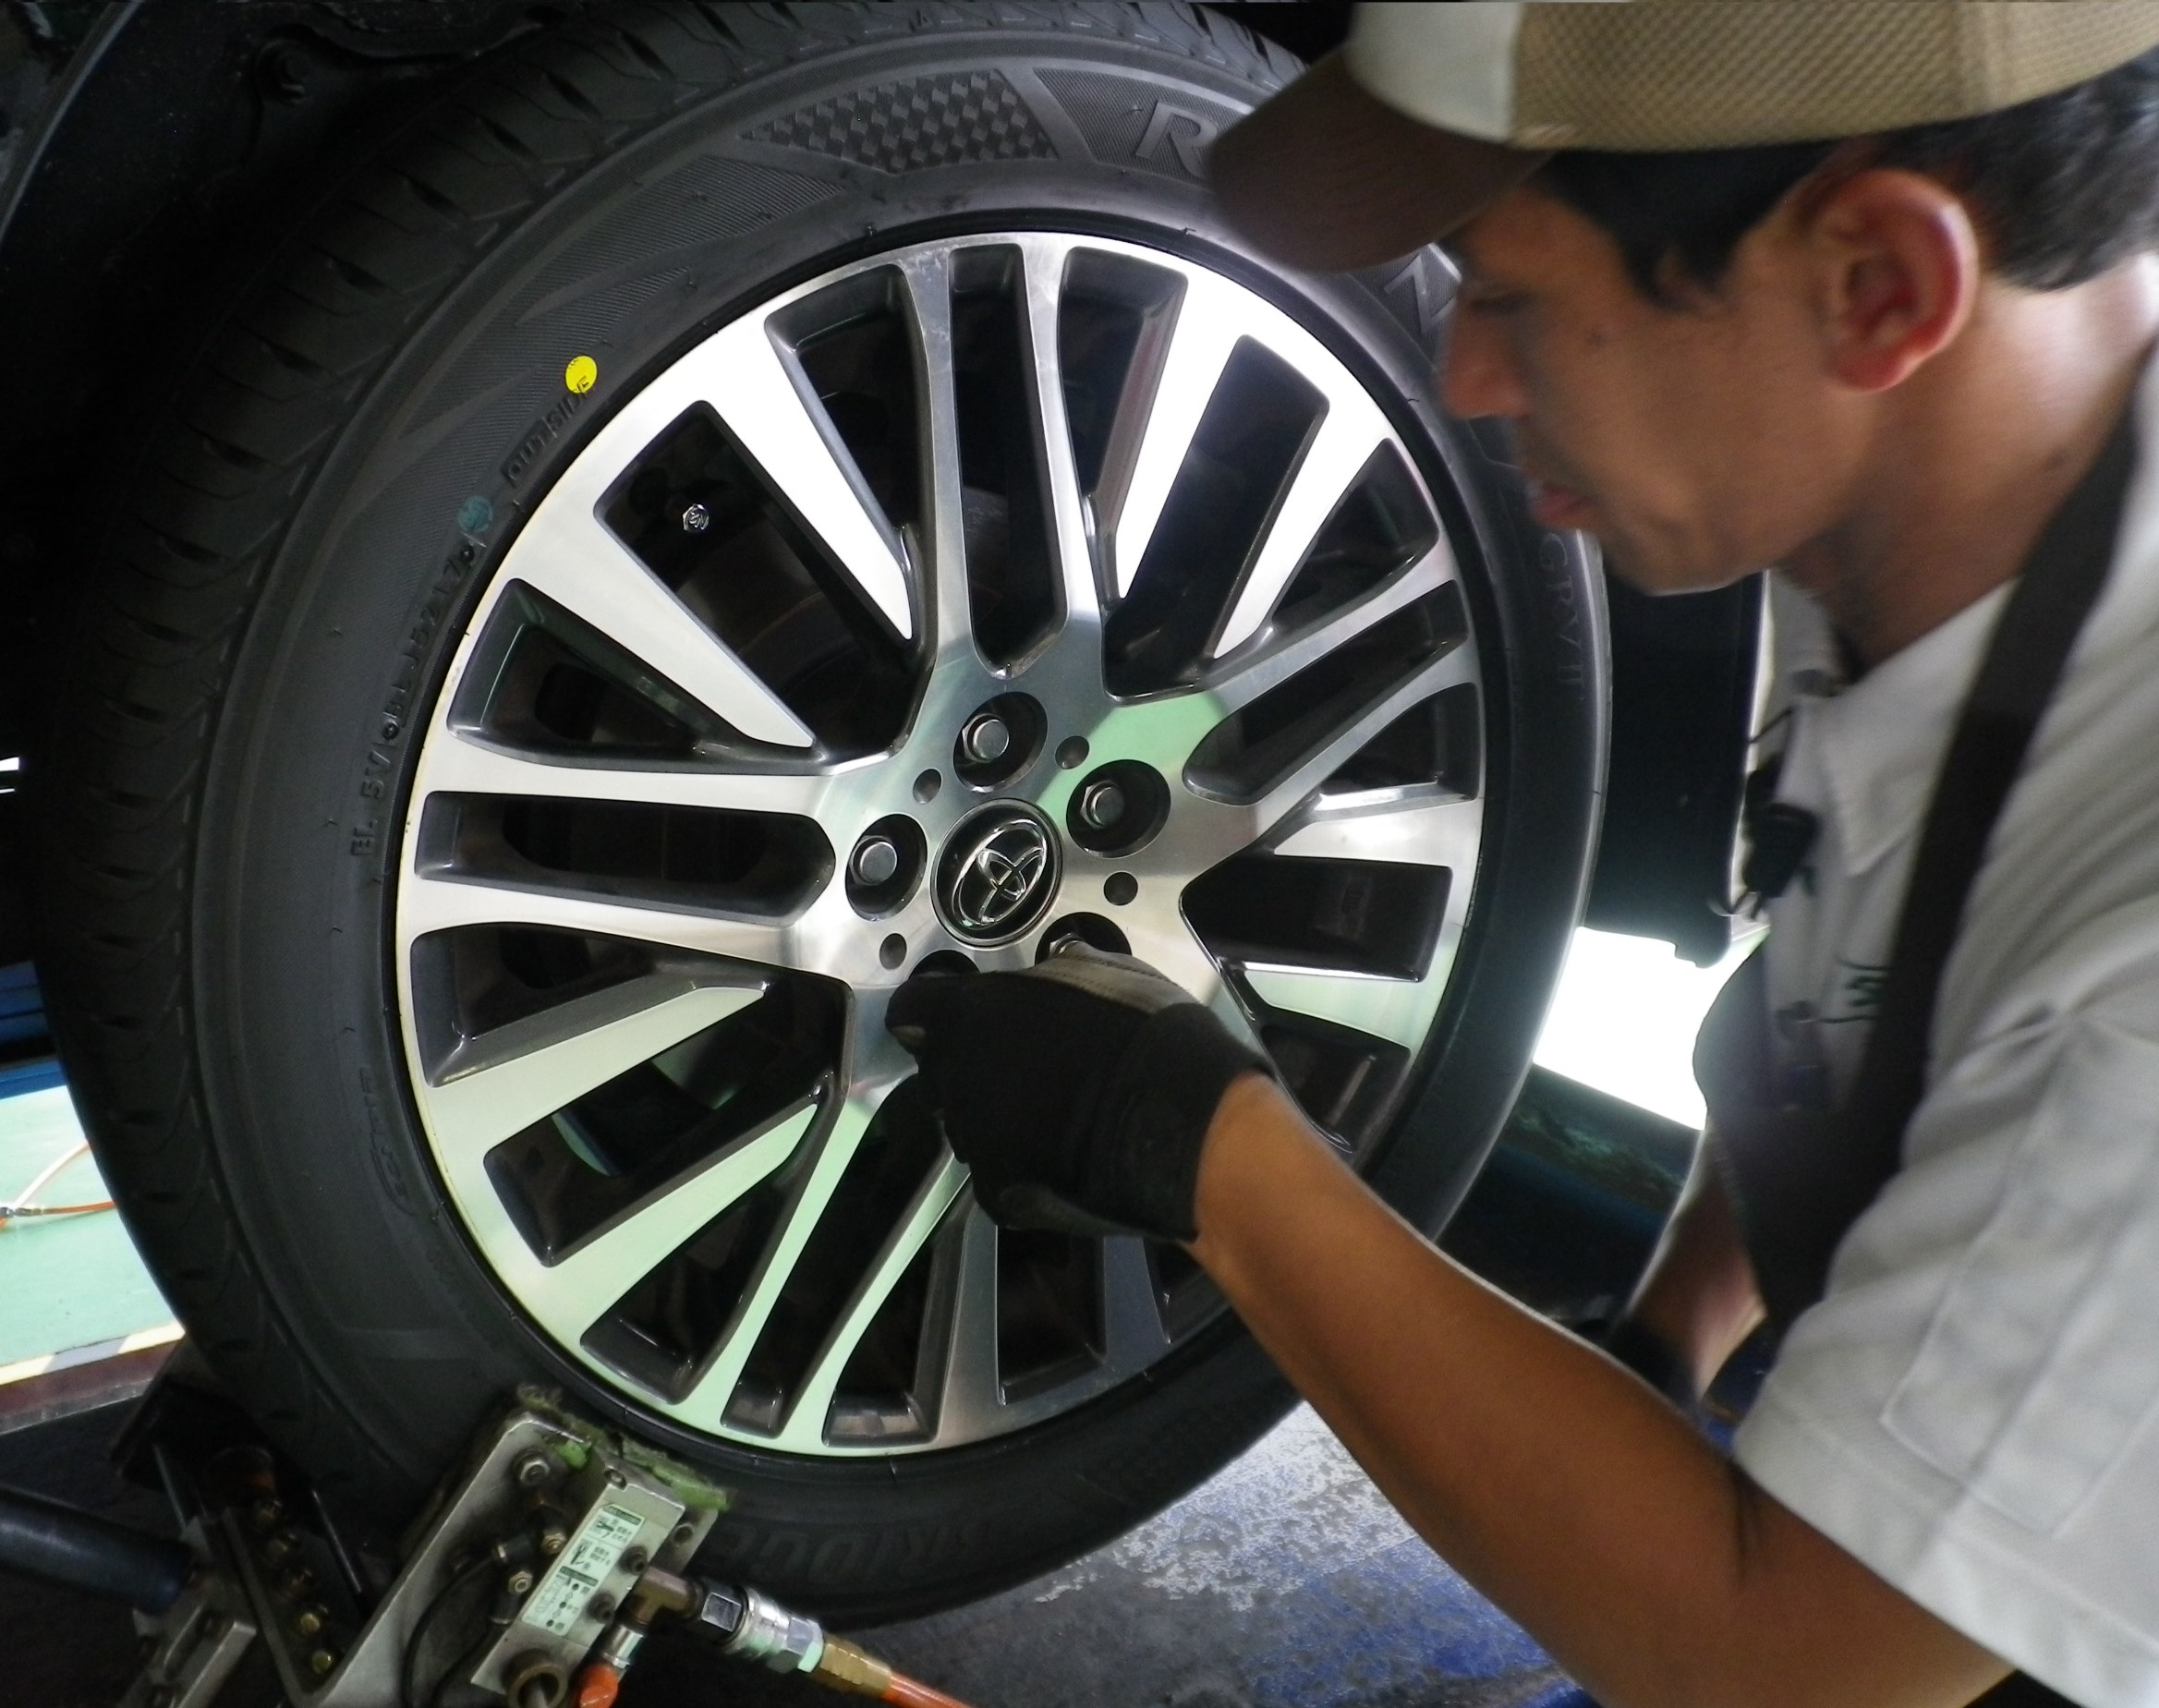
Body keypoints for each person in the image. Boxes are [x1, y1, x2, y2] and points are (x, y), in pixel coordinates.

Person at [888, 7, 2159, 1706]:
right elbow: (1881, 1002)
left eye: (1510, 296)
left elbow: (1791, 1671)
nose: (1466, 379)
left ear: (1877, 286)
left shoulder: (2135, 976)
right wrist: (1662, 1337)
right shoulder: (1937, 492)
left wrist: (1200, 1148)